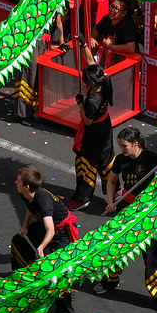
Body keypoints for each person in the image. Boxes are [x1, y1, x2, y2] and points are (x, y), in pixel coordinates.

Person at [99, 127, 157, 313]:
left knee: (153, 257)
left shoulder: (152, 158)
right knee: (116, 247)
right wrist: (110, 201)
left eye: (124, 146)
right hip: (128, 208)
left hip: (149, 212)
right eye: (120, 146)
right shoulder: (121, 160)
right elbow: (111, 181)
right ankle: (110, 281)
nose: (122, 149)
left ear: (136, 144)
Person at [10, 166, 79, 313]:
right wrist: (25, 225)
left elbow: (51, 231)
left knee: (57, 273)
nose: (15, 182)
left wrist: (41, 246)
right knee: (18, 242)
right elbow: (30, 207)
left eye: (18, 181)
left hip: (60, 232)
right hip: (45, 225)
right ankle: (24, 281)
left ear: (27, 186)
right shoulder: (25, 193)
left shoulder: (44, 201)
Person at [66, 62, 114, 211]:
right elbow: (91, 63)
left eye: (85, 80)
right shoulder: (105, 82)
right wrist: (84, 44)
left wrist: (80, 104)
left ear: (92, 82)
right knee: (106, 160)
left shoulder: (93, 102)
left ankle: (83, 197)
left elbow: (87, 121)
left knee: (85, 164)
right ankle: (114, 190)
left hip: (92, 134)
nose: (84, 82)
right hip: (105, 128)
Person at [88, 0, 140, 65]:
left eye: (116, 9)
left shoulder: (128, 26)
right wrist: (92, 38)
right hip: (110, 58)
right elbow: (97, 29)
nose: (112, 10)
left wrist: (110, 46)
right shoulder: (106, 19)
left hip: (126, 62)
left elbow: (130, 48)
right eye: (111, 6)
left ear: (124, 13)